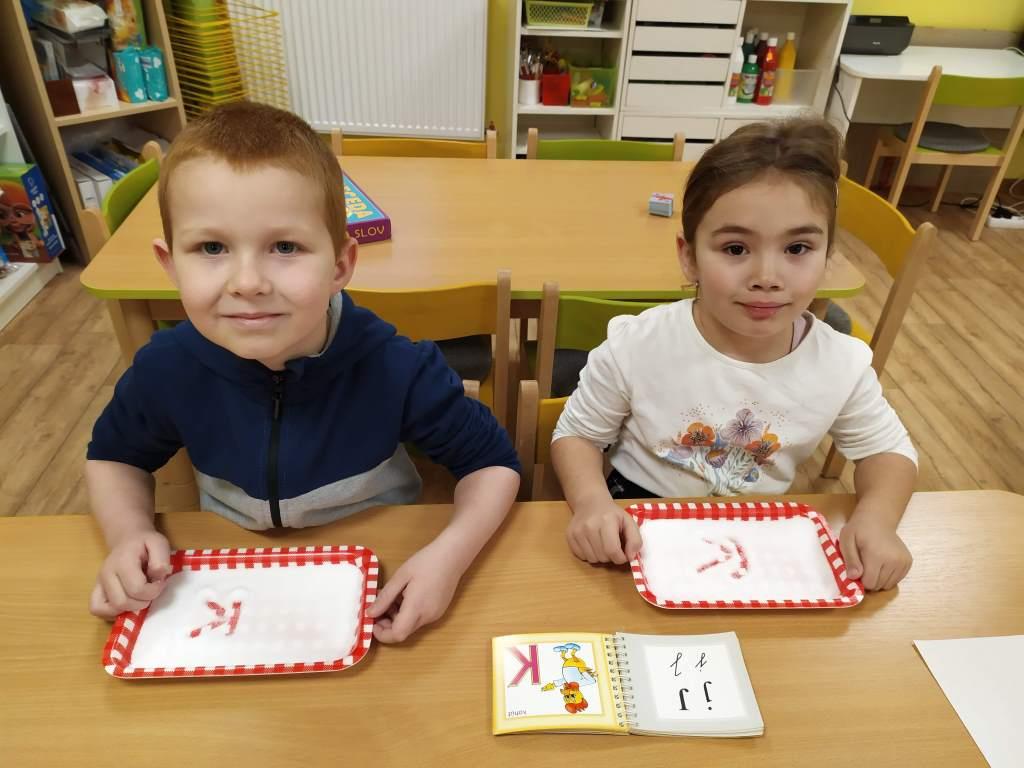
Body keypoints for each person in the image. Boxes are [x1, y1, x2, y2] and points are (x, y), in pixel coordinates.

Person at [86, 101, 520, 642]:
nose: (248, 282)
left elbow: (493, 464)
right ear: (170, 263)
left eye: (285, 247)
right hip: (229, 578)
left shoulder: (396, 366)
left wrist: (448, 558)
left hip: (374, 565)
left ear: (339, 265)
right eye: (212, 247)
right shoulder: (166, 368)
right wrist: (128, 533)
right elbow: (114, 457)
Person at [552, 118, 916, 591]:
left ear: (828, 256)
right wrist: (591, 504)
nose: (767, 276)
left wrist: (877, 519)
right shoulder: (637, 344)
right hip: (638, 522)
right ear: (689, 256)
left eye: (797, 248)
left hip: (758, 537)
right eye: (736, 248)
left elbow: (887, 451)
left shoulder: (840, 364)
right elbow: (577, 435)